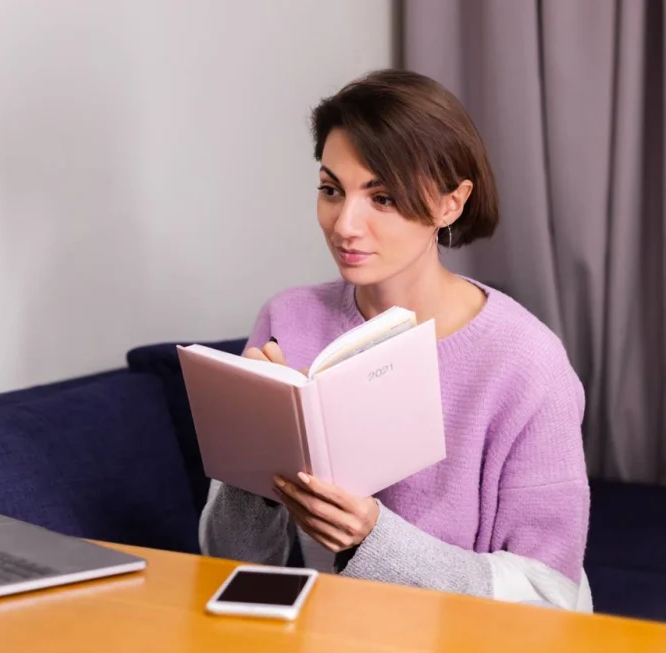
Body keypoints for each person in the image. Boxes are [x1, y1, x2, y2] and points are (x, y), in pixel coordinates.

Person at [198, 69, 592, 611]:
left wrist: (372, 539)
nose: (345, 225)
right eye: (331, 190)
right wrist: (249, 463)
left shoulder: (525, 361)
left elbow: (547, 597)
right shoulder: (288, 319)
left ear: (450, 204)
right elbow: (234, 564)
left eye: (381, 198)